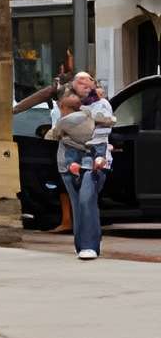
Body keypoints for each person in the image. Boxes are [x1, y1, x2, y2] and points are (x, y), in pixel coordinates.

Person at [49, 70, 114, 259]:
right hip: (67, 161)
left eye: (87, 81)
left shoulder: (101, 105)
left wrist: (98, 156)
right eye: (79, 82)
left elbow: (101, 135)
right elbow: (57, 133)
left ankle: (89, 245)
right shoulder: (62, 106)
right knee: (78, 205)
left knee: (87, 198)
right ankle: (82, 245)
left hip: (94, 161)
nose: (84, 85)